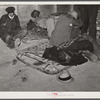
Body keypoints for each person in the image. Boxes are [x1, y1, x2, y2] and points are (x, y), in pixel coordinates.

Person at [48, 10, 98, 82]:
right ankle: (92, 52)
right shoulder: (71, 20)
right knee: (87, 43)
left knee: (72, 32)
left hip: (52, 43)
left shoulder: (61, 16)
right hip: (63, 45)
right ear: (74, 17)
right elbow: (81, 24)